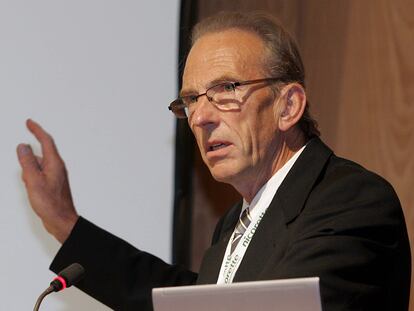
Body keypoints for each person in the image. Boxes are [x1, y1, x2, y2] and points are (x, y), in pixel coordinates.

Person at [17, 11, 410, 311]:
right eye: (191, 100)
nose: (201, 117)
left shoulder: (352, 202)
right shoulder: (236, 223)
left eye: (226, 89)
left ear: (288, 106)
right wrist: (66, 225)